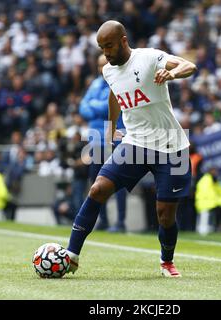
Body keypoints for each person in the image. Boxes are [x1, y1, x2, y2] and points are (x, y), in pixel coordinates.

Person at [65, 20, 197, 277]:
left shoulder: (148, 57)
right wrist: (110, 128)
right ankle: (71, 254)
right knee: (97, 189)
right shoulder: (108, 70)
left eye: (109, 46)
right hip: (135, 142)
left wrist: (172, 74)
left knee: (165, 215)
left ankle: (166, 261)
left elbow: (188, 65)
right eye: (102, 48)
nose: (106, 53)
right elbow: (114, 93)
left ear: (124, 40)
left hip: (171, 146)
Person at [79, 54, 127, 232]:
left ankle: (121, 222)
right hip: (96, 140)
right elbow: (82, 107)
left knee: (119, 180)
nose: (102, 68)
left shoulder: (120, 81)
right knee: (96, 181)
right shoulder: (96, 84)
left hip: (116, 137)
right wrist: (97, 107)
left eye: (104, 64)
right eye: (99, 65)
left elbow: (111, 107)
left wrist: (93, 106)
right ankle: (104, 220)